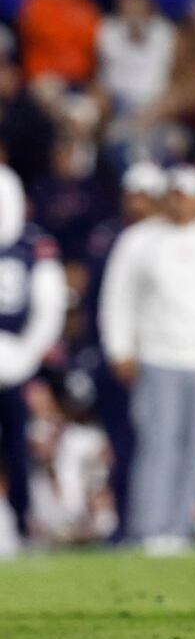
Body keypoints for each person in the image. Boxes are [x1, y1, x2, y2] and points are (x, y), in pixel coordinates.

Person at [99, 164, 195, 555]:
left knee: (194, 446)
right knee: (157, 443)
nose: (177, 201)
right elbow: (118, 298)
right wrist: (120, 349)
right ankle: (148, 527)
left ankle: (178, 527)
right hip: (158, 356)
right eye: (173, 193)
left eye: (185, 194)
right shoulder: (140, 241)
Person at [82, 161, 169, 539]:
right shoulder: (108, 235)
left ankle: (159, 521)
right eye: (132, 195)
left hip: (162, 352)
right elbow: (95, 301)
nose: (136, 203)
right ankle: (126, 523)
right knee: (121, 444)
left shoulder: (173, 238)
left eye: (145, 196)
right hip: (115, 355)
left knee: (157, 443)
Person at [0, 164, 68, 551]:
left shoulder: (33, 246)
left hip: (16, 362)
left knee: (20, 448)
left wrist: (25, 353)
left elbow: (50, 306)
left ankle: (23, 523)